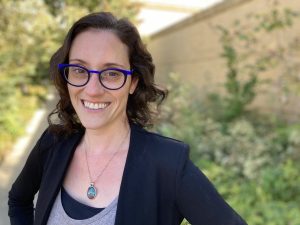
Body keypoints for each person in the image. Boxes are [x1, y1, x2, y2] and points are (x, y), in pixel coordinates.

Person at [8, 12, 247, 225]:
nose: (92, 90)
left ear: (133, 82)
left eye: (111, 73)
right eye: (80, 70)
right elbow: (18, 200)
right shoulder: (54, 142)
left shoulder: (167, 165)